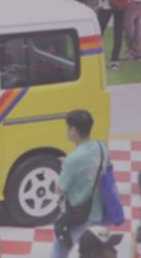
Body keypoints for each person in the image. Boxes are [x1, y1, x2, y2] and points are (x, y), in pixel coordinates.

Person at [53, 110, 110, 258]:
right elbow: (96, 168)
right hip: (96, 212)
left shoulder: (73, 159)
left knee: (59, 250)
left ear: (74, 130)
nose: (67, 130)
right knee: (90, 252)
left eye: (68, 127)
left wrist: (64, 170)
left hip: (76, 215)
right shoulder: (102, 147)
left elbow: (60, 190)